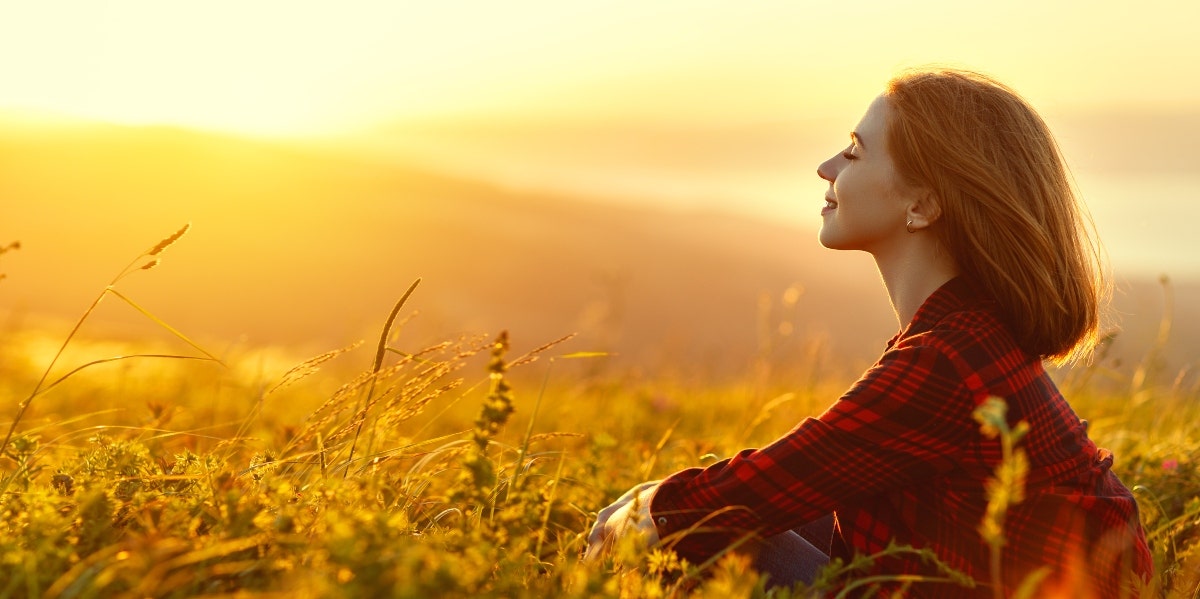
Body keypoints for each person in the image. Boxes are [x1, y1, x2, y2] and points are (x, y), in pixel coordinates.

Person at [585, 68, 1154, 598]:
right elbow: (808, 474)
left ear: (924, 203)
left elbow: (755, 491)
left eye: (854, 152)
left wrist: (639, 518)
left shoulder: (944, 360)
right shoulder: (969, 332)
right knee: (713, 504)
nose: (826, 167)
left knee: (700, 530)